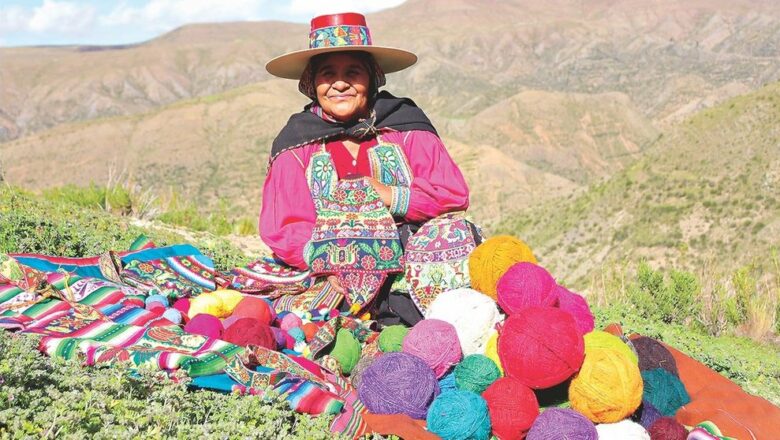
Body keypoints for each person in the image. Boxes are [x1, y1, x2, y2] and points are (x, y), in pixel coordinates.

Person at [260, 12, 470, 325]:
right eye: (328, 73)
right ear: (311, 82)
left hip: (411, 263)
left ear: (371, 78)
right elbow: (285, 227)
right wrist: (333, 258)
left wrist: (391, 196)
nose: (340, 83)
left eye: (353, 72)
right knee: (294, 319)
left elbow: (451, 194)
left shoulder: (406, 125)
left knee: (457, 234)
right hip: (330, 275)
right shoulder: (296, 144)